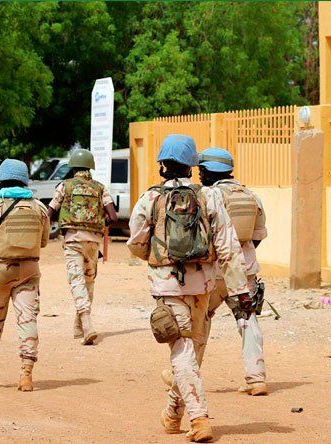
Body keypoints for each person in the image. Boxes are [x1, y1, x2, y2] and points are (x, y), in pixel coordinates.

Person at [127, 134, 250, 442]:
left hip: (167, 285)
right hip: (203, 285)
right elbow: (228, 245)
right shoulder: (209, 196)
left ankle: (199, 419)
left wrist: (157, 257)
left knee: (182, 352)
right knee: (192, 350)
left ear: (162, 165)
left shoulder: (151, 198)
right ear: (192, 166)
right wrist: (239, 290)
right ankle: (172, 414)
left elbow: (136, 241)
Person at [0, 159, 50, 392]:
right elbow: (43, 242)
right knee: (28, 320)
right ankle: (26, 375)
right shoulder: (40, 208)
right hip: (29, 271)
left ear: (0, 181)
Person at [198, 147, 268, 396]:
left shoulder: (207, 195)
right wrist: (240, 255)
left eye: (200, 171)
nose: (199, 176)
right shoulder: (250, 195)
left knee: (199, 319)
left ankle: (185, 373)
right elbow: (258, 235)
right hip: (245, 270)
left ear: (207, 172)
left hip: (214, 271)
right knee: (248, 319)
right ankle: (256, 379)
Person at [47, 149, 117, 345]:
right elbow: (113, 217)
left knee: (77, 281)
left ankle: (86, 324)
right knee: (88, 282)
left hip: (73, 241)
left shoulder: (65, 186)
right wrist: (98, 222)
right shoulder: (100, 188)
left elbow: (50, 211)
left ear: (73, 168)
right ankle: (79, 326)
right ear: (90, 168)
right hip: (93, 242)